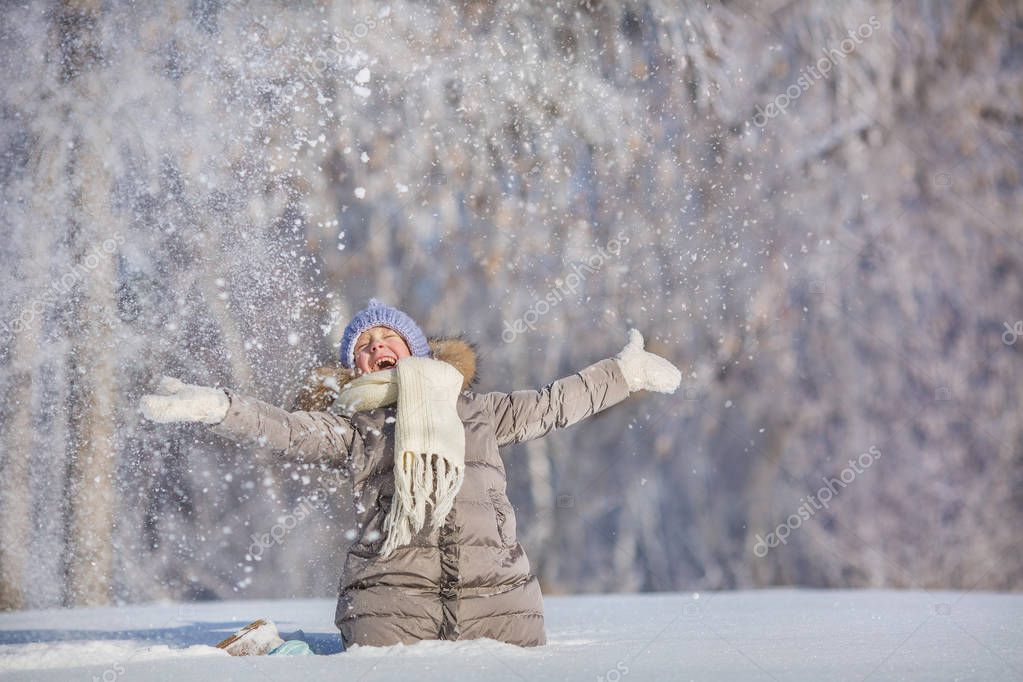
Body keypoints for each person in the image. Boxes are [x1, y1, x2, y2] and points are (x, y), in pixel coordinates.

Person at [140, 298, 681, 650]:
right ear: (355, 369)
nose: (377, 347)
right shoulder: (355, 429)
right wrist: (220, 407)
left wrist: (622, 373)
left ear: (416, 350)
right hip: (391, 612)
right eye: (364, 346)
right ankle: (285, 656)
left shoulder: (479, 413)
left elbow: (553, 403)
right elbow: (285, 429)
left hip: (500, 608)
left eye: (388, 338)